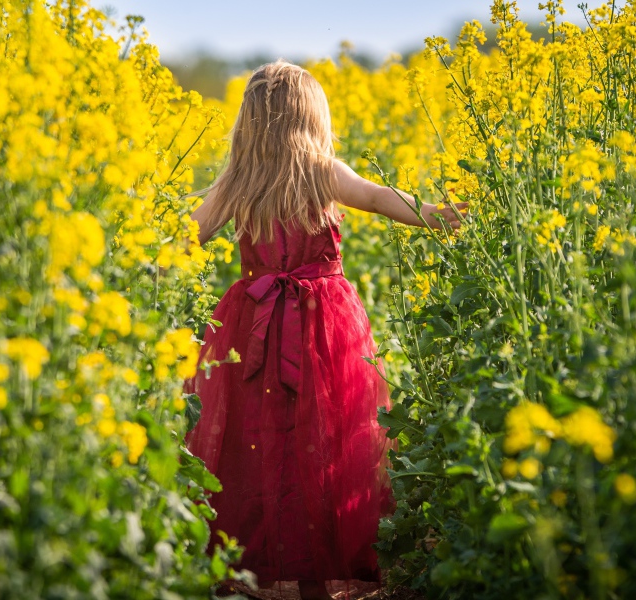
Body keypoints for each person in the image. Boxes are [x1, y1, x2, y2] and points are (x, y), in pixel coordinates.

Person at [185, 60, 467, 599]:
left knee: (253, 440)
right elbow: (381, 197)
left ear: (249, 121)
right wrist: (434, 213)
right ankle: (314, 575)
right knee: (325, 440)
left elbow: (188, 235)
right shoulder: (322, 169)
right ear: (312, 117)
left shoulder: (239, 178)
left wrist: (142, 253)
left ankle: (245, 568)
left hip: (254, 324)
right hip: (323, 324)